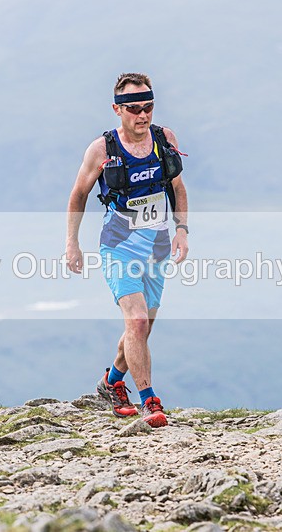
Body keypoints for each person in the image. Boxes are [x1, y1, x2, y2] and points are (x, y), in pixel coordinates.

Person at [66, 73, 189, 428]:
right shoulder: (102, 150)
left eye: (148, 107)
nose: (142, 115)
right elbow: (79, 194)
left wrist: (181, 230)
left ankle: (112, 382)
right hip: (119, 246)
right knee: (135, 321)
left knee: (142, 328)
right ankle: (150, 401)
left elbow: (178, 188)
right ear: (117, 110)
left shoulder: (165, 140)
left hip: (158, 245)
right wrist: (72, 243)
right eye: (134, 108)